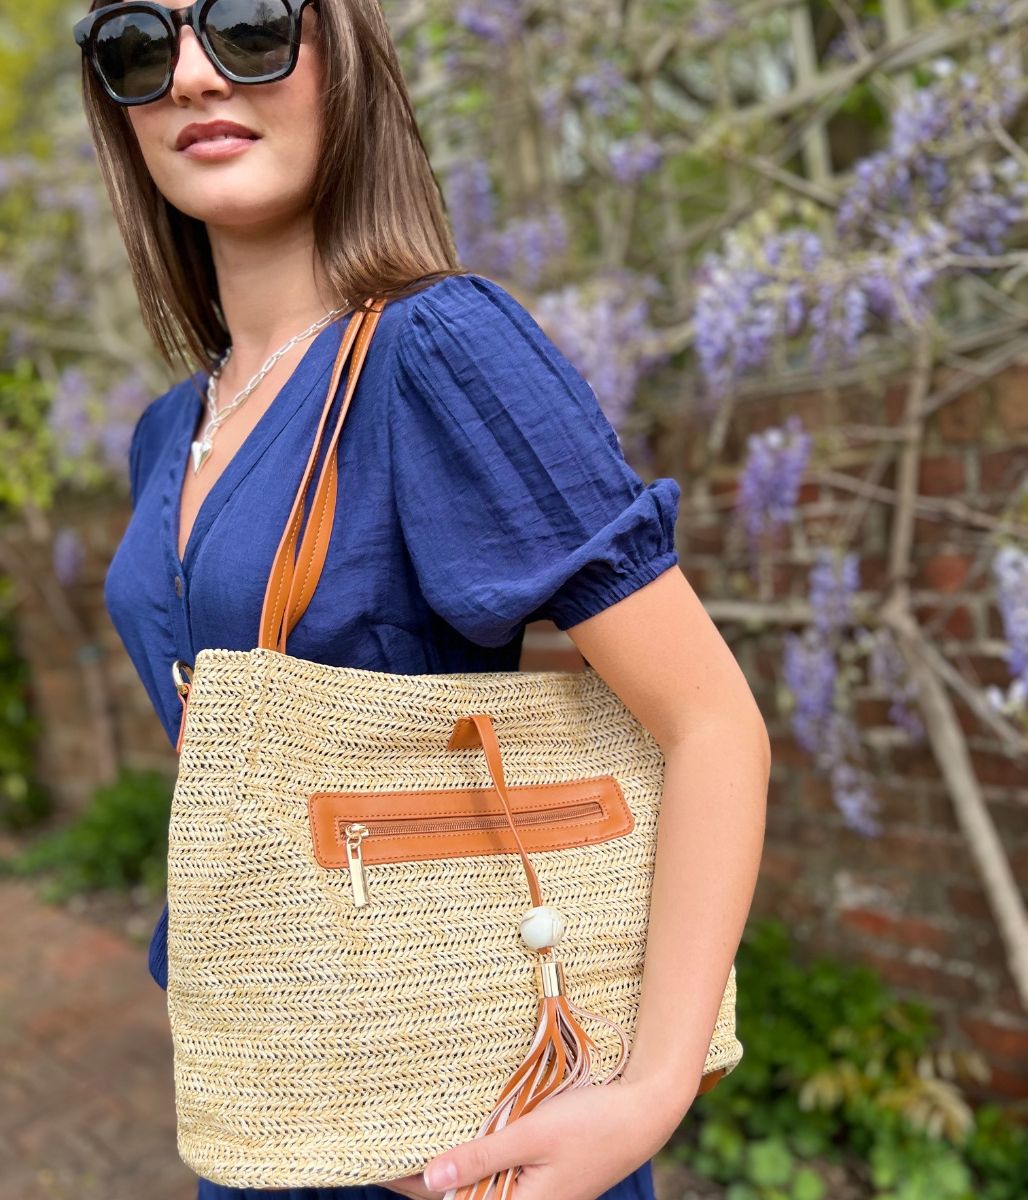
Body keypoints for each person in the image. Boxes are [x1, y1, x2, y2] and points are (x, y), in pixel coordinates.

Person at [74, 2, 770, 1198]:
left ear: (343, 56)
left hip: (467, 1120)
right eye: (140, 45)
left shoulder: (438, 348)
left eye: (248, 25)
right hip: (268, 1095)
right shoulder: (164, 432)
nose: (190, 75)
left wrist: (650, 1093)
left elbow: (710, 722)